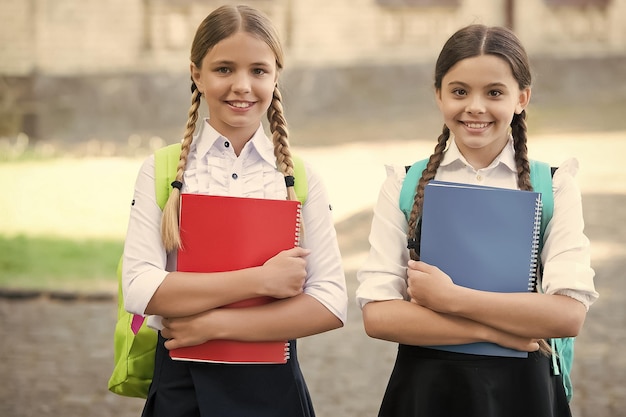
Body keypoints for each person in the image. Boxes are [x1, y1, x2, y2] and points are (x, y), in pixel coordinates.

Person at [356, 24, 598, 417]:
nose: (475, 106)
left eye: (495, 92)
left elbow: (568, 315)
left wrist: (452, 299)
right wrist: (491, 330)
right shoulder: (403, 184)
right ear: (438, 95)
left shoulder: (554, 186)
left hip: (524, 392)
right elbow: (379, 315)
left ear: (522, 98)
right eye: (459, 91)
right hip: (428, 391)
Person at [122, 5, 347, 417]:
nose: (242, 86)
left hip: (275, 391)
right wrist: (260, 280)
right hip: (181, 388)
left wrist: (215, 325)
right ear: (197, 74)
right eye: (224, 69)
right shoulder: (163, 169)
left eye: (258, 71)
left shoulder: (296, 177)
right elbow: (140, 289)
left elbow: (330, 303)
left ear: (276, 75)